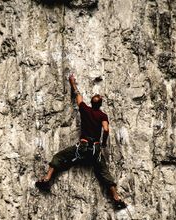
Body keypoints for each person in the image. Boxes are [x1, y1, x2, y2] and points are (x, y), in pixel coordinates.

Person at [35, 74, 126, 209]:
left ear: (91, 102)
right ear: (100, 105)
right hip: (95, 150)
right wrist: (104, 143)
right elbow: (106, 130)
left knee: (59, 157)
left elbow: (77, 95)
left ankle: (47, 179)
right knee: (104, 172)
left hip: (82, 148)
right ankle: (116, 198)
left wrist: (72, 83)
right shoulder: (102, 115)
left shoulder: (85, 109)